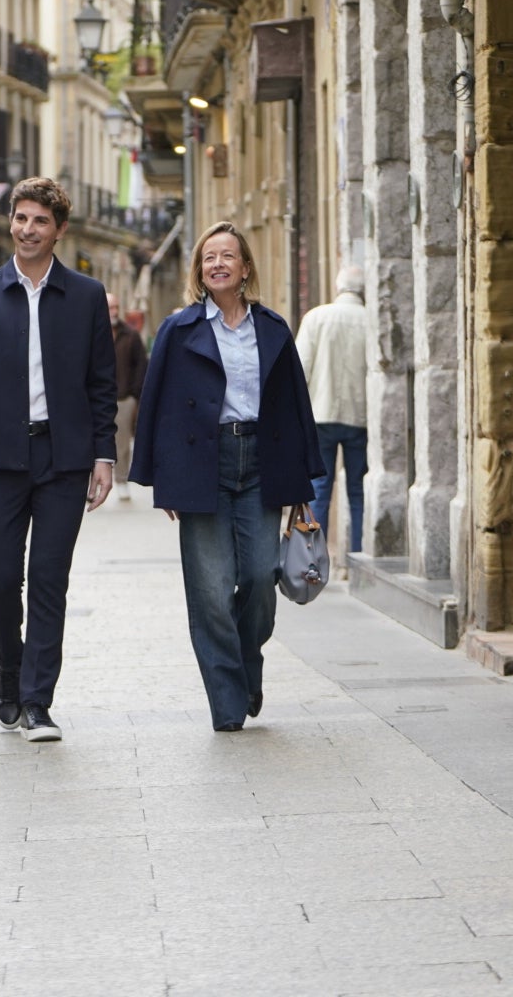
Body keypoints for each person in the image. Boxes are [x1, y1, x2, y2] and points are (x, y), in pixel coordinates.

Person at [129, 222, 323, 731]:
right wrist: (159, 477)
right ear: (200, 269)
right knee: (211, 590)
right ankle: (228, 700)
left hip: (263, 460)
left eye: (227, 256)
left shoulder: (273, 328)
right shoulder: (179, 329)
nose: (217, 264)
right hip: (201, 467)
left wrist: (304, 481)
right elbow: (155, 405)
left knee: (261, 577)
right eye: (208, 257)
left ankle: (245, 663)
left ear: (245, 267)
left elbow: (295, 406)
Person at [0, 177, 117, 744]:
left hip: (63, 458)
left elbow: (102, 383)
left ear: (58, 230)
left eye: (39, 221)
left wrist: (104, 454)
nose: (27, 229)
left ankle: (39, 701)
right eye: (20, 218)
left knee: (49, 579)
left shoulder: (88, 297)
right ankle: (10, 668)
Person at [296, 264, 370, 557]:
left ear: (338, 287)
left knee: (319, 487)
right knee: (358, 489)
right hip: (359, 416)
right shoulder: (370, 320)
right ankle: (359, 556)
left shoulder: (316, 317)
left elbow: (299, 369)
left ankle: (315, 557)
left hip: (320, 415)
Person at [108, 292, 147, 502]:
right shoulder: (91, 332)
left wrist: (134, 394)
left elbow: (141, 365)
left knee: (122, 443)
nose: (113, 312)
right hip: (96, 399)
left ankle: (121, 480)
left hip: (123, 397)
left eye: (115, 307)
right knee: (88, 443)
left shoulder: (130, 335)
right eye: (109, 308)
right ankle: (89, 484)